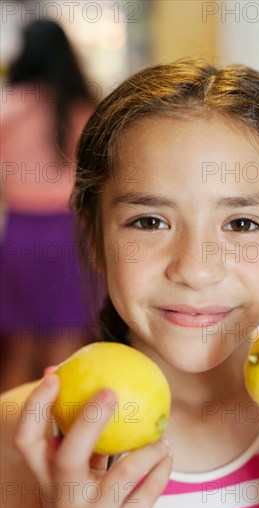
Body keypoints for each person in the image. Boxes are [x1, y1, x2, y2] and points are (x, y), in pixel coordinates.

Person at [1, 60, 259, 508]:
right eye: (150, 222)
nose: (196, 269)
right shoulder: (21, 442)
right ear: (94, 238)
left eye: (241, 224)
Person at [0, 20, 99, 391]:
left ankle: (7, 443)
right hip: (70, 232)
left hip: (21, 232)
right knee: (66, 354)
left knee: (21, 347)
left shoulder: (10, 105)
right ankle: (62, 440)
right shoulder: (87, 107)